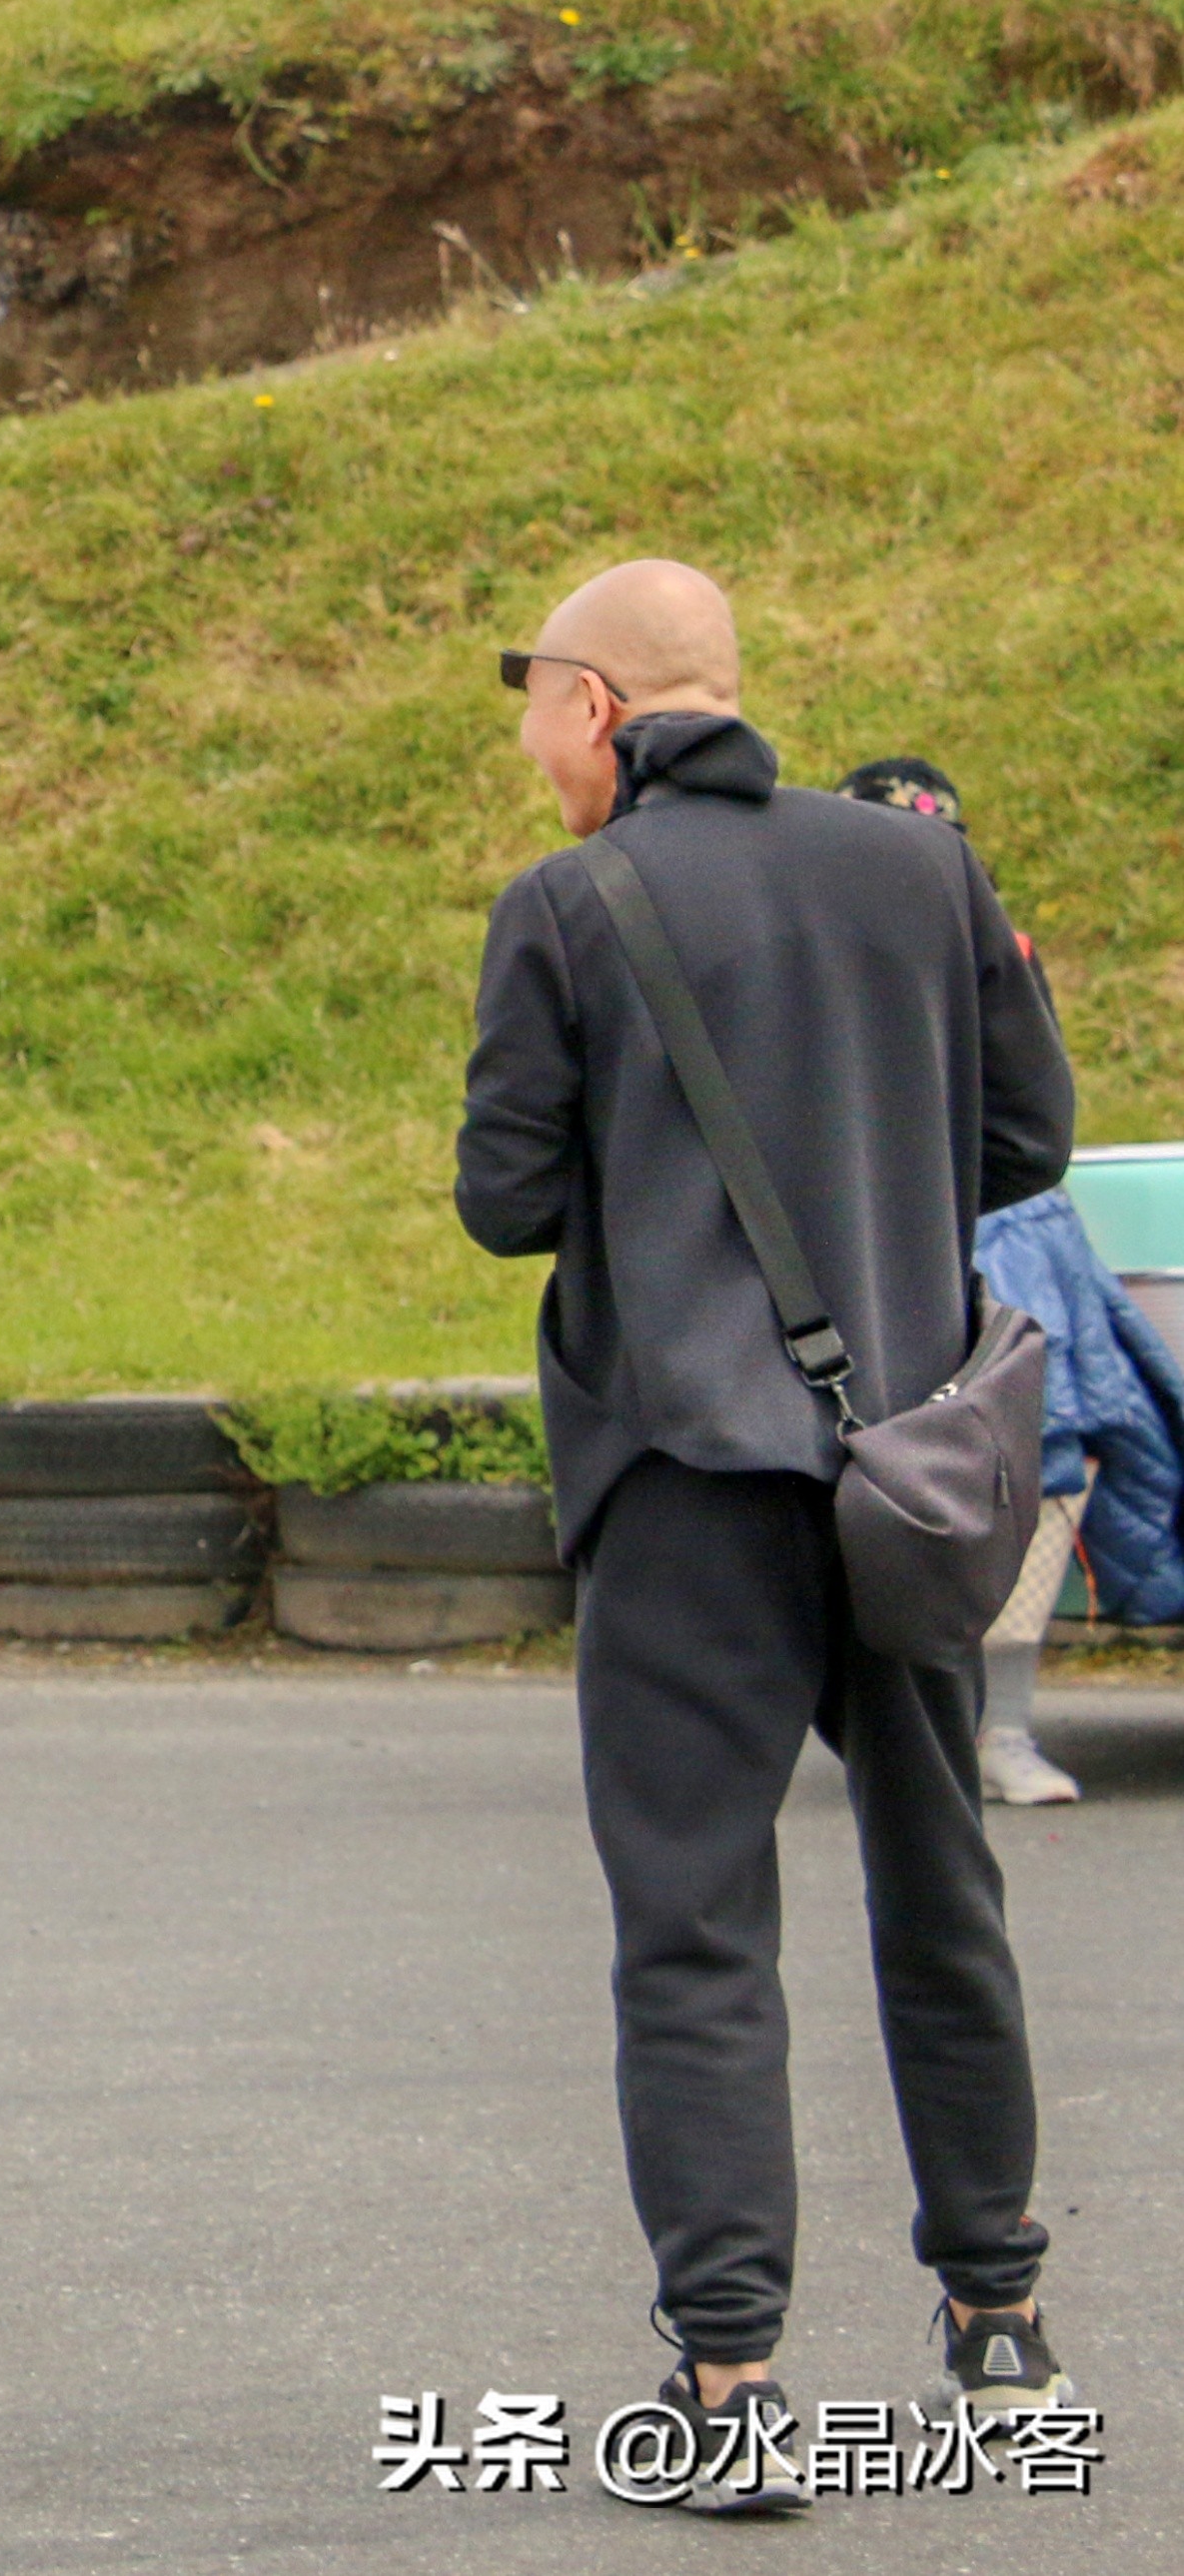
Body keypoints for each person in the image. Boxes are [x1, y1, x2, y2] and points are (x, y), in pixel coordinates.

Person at [453, 559, 1083, 2513]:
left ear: (592, 705)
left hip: (679, 1485)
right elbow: (1025, 1138)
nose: (529, 744)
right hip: (902, 1470)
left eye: (529, 705)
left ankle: (728, 2382)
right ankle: (993, 2323)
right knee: (936, 1885)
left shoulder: (566, 906)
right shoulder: (913, 870)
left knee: (695, 1930)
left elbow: (499, 1198)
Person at [837, 756, 1105, 1806]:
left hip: (999, 1228)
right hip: (860, 1235)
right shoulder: (800, 944)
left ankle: (1006, 1728)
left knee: (1053, 1453)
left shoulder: (998, 946)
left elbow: (1030, 1122)